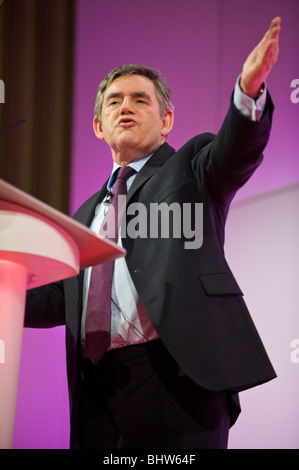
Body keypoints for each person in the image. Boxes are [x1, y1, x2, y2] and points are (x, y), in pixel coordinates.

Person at [25, 17, 281, 449]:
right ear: (98, 127)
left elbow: (236, 151)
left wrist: (248, 93)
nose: (125, 106)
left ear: (166, 121)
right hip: (95, 392)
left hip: (174, 379)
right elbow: (61, 297)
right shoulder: (85, 214)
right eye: (114, 102)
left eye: (140, 100)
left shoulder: (192, 168)